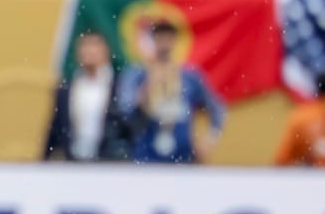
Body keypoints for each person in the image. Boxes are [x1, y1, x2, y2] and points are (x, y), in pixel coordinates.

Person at [117, 20, 226, 164]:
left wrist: (209, 140)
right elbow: (124, 110)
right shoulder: (137, 74)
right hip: (145, 153)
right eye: (159, 37)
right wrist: (148, 86)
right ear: (151, 41)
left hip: (183, 154)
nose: (164, 43)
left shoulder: (189, 76)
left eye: (168, 38)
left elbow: (217, 108)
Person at [44, 31, 129, 161]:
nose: (89, 51)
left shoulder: (120, 86)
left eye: (94, 45)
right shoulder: (67, 89)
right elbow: (55, 129)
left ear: (106, 51)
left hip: (109, 164)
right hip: (73, 162)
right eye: (84, 46)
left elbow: (127, 128)